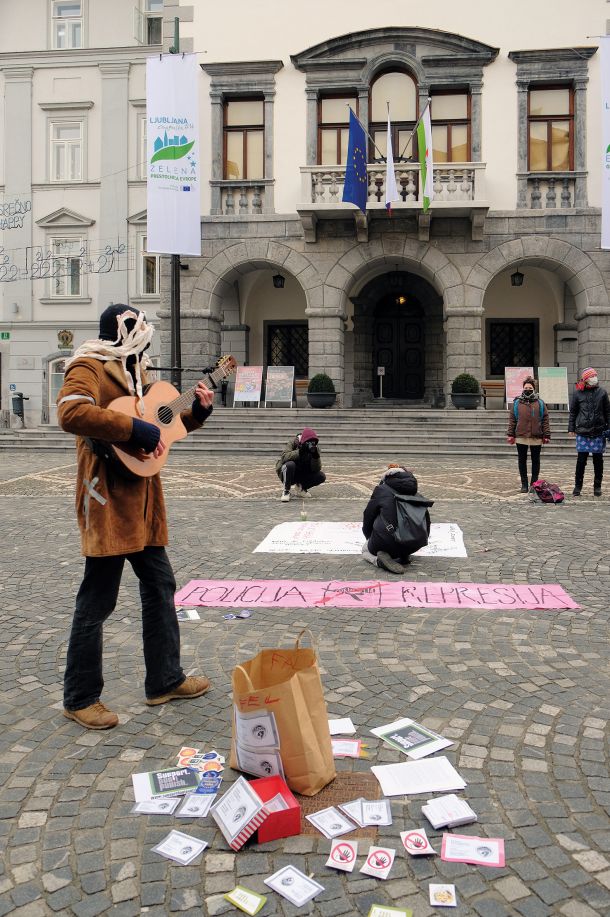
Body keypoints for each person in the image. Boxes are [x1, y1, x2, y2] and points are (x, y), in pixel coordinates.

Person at [57, 304, 214, 730]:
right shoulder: (89, 364)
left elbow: (161, 422)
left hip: (143, 502)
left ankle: (164, 680)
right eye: (139, 330)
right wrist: (131, 431)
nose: (145, 337)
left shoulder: (135, 372)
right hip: (107, 501)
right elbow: (71, 413)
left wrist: (196, 412)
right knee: (97, 600)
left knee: (160, 585)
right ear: (123, 331)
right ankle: (79, 697)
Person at [361, 464, 430, 574]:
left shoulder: (382, 490)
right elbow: (427, 522)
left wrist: (369, 538)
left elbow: (368, 516)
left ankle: (378, 561)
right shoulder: (416, 493)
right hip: (415, 543)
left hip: (387, 541)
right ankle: (403, 555)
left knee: (365, 550)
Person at [568, 367, 610, 497]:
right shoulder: (577, 393)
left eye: (595, 376)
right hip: (583, 431)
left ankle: (597, 486)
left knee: (598, 461)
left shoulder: (602, 393)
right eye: (592, 376)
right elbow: (573, 412)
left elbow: (608, 412)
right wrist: (571, 428)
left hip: (598, 430)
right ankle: (577, 486)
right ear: (585, 380)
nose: (594, 378)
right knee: (581, 460)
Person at [506, 375, 551, 493]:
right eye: (526, 387)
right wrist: (511, 434)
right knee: (522, 460)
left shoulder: (540, 403)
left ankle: (533, 484)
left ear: (534, 389)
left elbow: (545, 419)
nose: (528, 389)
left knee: (536, 461)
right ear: (523, 388)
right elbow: (512, 419)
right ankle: (524, 484)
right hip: (521, 436)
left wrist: (546, 435)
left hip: (536, 436)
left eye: (530, 388)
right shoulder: (517, 403)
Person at [275, 427, 325, 502]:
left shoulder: (315, 448)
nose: (311, 445)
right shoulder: (293, 443)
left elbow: (316, 469)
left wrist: (316, 457)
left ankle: (301, 487)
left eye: (313, 442)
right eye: (309, 443)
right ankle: (286, 491)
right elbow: (284, 457)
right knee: (290, 465)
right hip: (289, 473)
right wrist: (300, 452)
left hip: (303, 472)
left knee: (321, 476)